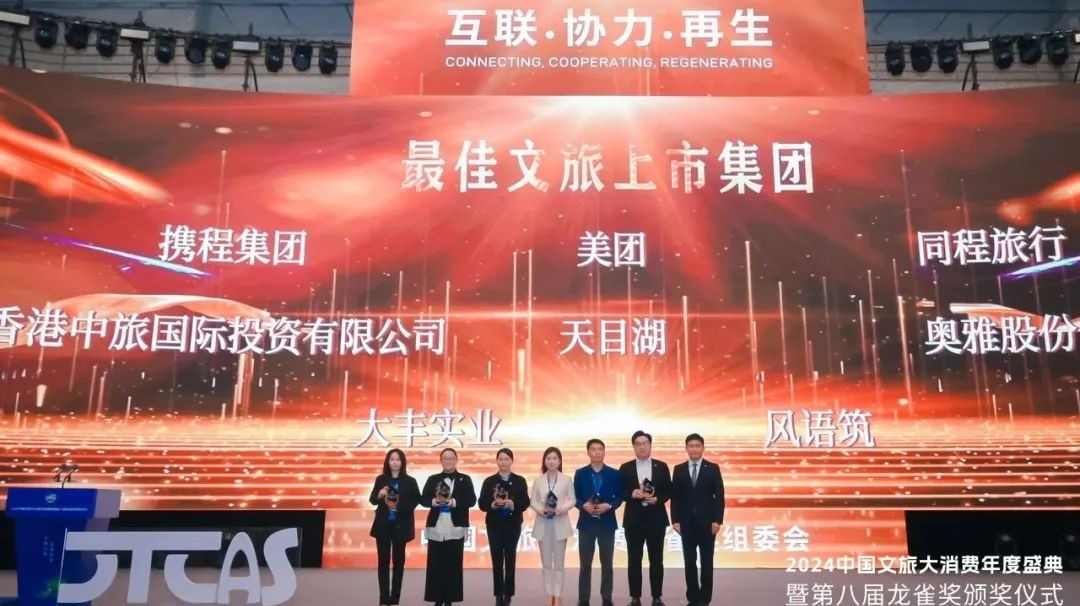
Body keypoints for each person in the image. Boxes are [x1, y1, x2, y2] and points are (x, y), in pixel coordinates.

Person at [618, 431, 672, 606]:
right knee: (634, 559)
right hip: (634, 521)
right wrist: (631, 493)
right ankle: (635, 597)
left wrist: (658, 499)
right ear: (633, 447)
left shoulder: (661, 466)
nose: (642, 446)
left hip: (656, 520)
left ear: (650, 445)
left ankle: (657, 596)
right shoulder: (625, 467)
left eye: (645, 443)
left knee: (656, 559)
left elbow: (669, 491)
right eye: (638, 443)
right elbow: (619, 492)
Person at [670, 433, 725, 606]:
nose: (694, 449)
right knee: (689, 561)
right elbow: (675, 497)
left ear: (703, 448)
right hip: (686, 523)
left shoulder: (713, 468)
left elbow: (720, 496)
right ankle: (692, 596)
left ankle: (705, 598)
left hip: (708, 523)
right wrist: (675, 520)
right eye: (691, 446)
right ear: (686, 448)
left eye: (697, 446)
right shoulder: (679, 469)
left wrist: (717, 520)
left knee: (707, 561)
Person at [421, 447, 477, 606]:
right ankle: (437, 599)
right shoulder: (433, 479)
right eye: (445, 458)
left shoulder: (464, 479)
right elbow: (423, 499)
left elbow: (472, 500)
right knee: (435, 565)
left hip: (456, 528)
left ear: (456, 460)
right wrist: (433, 501)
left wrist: (454, 502)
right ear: (440, 461)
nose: (448, 461)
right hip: (436, 528)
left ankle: (450, 599)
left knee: (453, 566)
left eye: (451, 458)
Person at [369, 448, 422, 606]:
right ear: (388, 462)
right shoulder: (381, 479)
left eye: (398, 459)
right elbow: (372, 499)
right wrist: (380, 495)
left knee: (398, 564)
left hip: (401, 525)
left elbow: (416, 500)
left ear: (402, 462)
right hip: (383, 526)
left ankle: (395, 599)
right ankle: (383, 598)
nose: (395, 462)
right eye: (392, 459)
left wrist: (399, 505)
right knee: (383, 562)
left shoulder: (410, 481)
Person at [573, 439, 623, 606]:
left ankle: (607, 597)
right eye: (593, 449)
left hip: (607, 524)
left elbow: (619, 496)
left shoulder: (614, 473)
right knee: (585, 564)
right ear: (588, 452)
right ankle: (583, 598)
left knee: (607, 564)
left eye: (600, 449)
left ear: (604, 451)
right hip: (586, 524)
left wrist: (609, 505)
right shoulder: (580, 473)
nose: (597, 452)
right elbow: (575, 497)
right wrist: (582, 505)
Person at [478, 448, 531, 606]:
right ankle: (498, 594)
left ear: (512, 461)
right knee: (496, 560)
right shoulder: (489, 481)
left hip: (512, 524)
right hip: (494, 525)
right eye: (500, 459)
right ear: (496, 461)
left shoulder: (520, 480)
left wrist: (513, 504)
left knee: (510, 558)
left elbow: (525, 502)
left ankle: (508, 593)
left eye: (507, 459)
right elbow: (482, 503)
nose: (503, 462)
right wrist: (493, 504)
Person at [530, 446, 576, 606]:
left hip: (560, 523)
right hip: (543, 524)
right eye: (548, 458)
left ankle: (558, 594)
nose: (551, 461)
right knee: (546, 562)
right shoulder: (538, 480)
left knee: (559, 562)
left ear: (560, 461)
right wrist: (541, 510)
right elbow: (533, 501)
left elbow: (572, 499)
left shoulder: (566, 479)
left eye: (555, 458)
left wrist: (562, 508)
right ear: (544, 461)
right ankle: (549, 593)